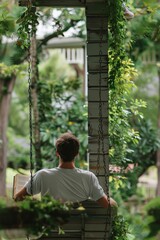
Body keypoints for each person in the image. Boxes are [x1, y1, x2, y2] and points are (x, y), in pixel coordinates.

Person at [15, 132, 117, 208]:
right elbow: (106, 205)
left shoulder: (42, 175)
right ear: (77, 154)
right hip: (80, 231)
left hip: (51, 232)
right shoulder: (89, 177)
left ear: (57, 153)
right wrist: (112, 201)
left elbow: (18, 198)